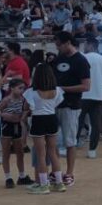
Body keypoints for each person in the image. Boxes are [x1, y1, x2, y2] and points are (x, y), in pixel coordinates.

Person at [52, 32, 90, 186]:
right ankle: (56, 171)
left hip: (71, 105)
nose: (58, 48)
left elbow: (86, 86)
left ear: (68, 43)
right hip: (54, 105)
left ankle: (69, 173)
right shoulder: (58, 59)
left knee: (70, 141)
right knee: (52, 141)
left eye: (59, 45)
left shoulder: (81, 61)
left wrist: (62, 89)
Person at [24, 63, 65, 195]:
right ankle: (59, 183)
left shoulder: (31, 92)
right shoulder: (57, 90)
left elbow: (27, 107)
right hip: (52, 118)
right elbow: (57, 103)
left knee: (41, 154)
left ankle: (43, 184)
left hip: (38, 119)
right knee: (53, 152)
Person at [0, 80, 31, 188]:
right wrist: (4, 115)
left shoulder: (23, 99)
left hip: (17, 126)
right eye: (19, 88)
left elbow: (26, 111)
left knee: (20, 152)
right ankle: (8, 177)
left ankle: (22, 176)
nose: (22, 90)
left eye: (23, 88)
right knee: (6, 152)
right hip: (7, 126)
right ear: (12, 88)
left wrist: (23, 116)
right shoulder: (6, 100)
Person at [80, 38, 102, 159]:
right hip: (98, 96)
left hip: (83, 95)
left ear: (90, 45)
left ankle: (72, 146)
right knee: (95, 124)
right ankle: (92, 150)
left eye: (85, 44)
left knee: (77, 122)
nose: (84, 47)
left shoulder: (82, 57)